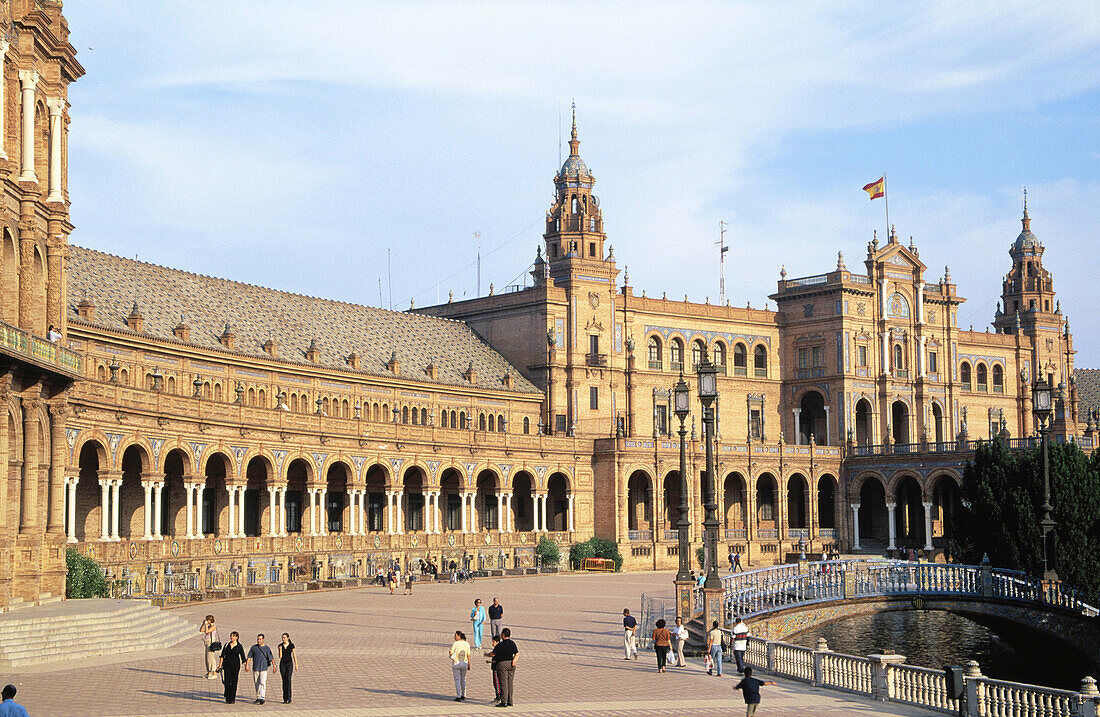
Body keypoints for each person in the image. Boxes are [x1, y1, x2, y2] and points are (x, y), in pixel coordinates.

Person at [490, 627, 518, 707]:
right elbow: (517, 654)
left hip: (502, 665)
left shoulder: (501, 645)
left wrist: (487, 655)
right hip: (511, 664)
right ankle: (510, 701)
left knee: (503, 683)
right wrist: (514, 661)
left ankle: (503, 702)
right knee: (510, 683)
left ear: (503, 635)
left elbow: (493, 654)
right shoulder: (512, 643)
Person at [218, 630, 248, 704]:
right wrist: (220, 665)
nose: (232, 637)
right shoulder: (226, 645)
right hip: (227, 665)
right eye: (231, 636)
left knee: (234, 681)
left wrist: (246, 665)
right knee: (227, 681)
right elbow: (222, 656)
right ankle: (227, 695)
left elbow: (243, 657)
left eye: (234, 636)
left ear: (237, 637)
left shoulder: (239, 646)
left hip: (235, 666)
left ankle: (232, 698)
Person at [246, 633, 275, 704]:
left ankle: (262, 697)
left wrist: (274, 666)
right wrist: (247, 665)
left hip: (264, 668)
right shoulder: (254, 648)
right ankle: (258, 696)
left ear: (263, 639)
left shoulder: (267, 648)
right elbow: (249, 657)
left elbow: (271, 658)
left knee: (262, 682)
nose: (259, 641)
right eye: (258, 639)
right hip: (256, 668)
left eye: (260, 639)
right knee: (256, 682)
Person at [449, 630, 471, 701]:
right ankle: (463, 694)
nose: (454, 637)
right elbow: (468, 655)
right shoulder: (467, 644)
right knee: (463, 679)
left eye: (455, 635)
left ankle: (458, 695)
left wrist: (450, 652)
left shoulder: (456, 643)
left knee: (457, 680)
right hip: (464, 663)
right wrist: (469, 665)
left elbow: (451, 652)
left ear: (459, 636)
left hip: (456, 662)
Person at [278, 632, 298, 704]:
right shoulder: (280, 645)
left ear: (288, 638)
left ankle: (289, 697)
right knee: (284, 680)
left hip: (289, 664)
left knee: (288, 679)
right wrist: (280, 649)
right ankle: (284, 698)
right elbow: (280, 656)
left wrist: (296, 665)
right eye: (282, 638)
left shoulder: (291, 645)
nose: (283, 639)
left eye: (284, 638)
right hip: (282, 664)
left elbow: (294, 655)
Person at [200, 614, 220, 679]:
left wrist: (206, 625)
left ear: (209, 620)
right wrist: (203, 624)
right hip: (207, 643)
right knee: (207, 659)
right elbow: (201, 630)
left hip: (211, 643)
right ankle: (209, 672)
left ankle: (214, 673)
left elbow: (207, 631)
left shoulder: (214, 626)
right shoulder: (208, 626)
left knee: (211, 658)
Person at [485, 634, 503, 704]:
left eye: (493, 642)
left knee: (496, 682)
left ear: (497, 642)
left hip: (496, 668)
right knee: (499, 682)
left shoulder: (497, 648)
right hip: (498, 667)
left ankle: (498, 697)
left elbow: (493, 655)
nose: (492, 643)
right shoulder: (500, 648)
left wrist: (486, 655)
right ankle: (500, 696)